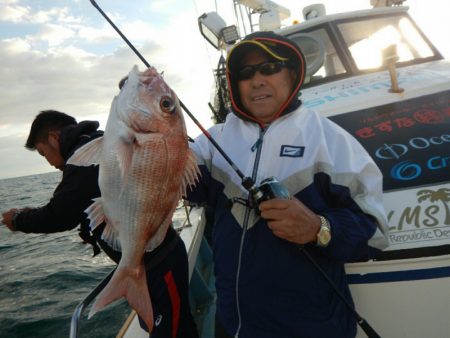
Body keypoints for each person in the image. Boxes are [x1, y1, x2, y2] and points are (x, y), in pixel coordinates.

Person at [185, 31, 389, 338]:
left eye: (269, 68)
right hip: (232, 325)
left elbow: (374, 234)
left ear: (292, 73)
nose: (257, 80)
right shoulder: (211, 142)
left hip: (312, 328)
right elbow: (176, 182)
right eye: (245, 73)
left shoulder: (331, 142)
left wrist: (318, 228)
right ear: (234, 84)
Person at [1, 110, 198, 338]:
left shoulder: (84, 159)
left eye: (44, 153)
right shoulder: (98, 141)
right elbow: (75, 202)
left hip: (159, 264)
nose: (50, 163)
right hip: (151, 263)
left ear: (54, 137)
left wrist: (17, 220)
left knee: (175, 332)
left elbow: (59, 215)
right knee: (170, 327)